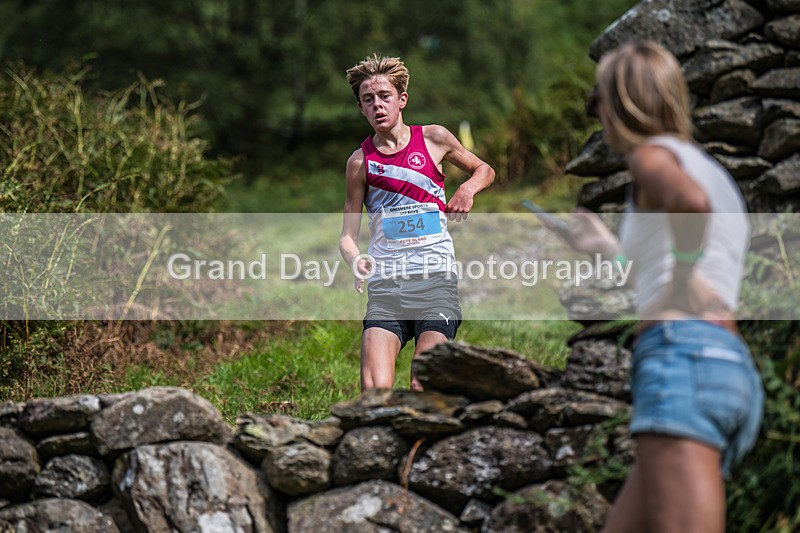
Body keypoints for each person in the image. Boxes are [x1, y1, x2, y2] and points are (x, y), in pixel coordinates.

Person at [564, 41, 763, 532]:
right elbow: (662, 267)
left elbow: (691, 207)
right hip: (720, 362)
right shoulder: (706, 167)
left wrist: (682, 278)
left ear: (622, 102)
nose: (599, 116)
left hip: (684, 357)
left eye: (598, 101)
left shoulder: (650, 158)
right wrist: (606, 247)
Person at [339, 54, 494, 392]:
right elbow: (347, 237)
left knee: (424, 385)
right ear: (361, 108)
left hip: (435, 282)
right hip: (387, 287)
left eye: (385, 96)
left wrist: (467, 189)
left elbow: (485, 169)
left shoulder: (434, 139)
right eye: (368, 100)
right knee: (374, 392)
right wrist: (356, 260)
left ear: (402, 99)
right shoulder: (359, 162)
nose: (378, 105)